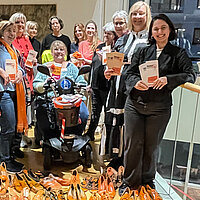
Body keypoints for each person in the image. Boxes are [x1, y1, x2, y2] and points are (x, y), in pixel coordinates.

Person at [119, 14, 196, 195]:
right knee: (132, 145)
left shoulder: (178, 54)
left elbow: (190, 74)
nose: (159, 32)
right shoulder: (142, 51)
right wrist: (135, 82)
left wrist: (168, 80)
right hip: (134, 105)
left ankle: (147, 181)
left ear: (170, 30)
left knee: (151, 146)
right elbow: (128, 74)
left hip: (159, 108)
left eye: (163, 28)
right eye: (156, 29)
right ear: (151, 32)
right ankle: (129, 182)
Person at [104, 1, 152, 162]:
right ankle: (118, 161)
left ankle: (130, 166)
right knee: (117, 125)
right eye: (134, 13)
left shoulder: (151, 40)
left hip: (138, 94)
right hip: (118, 89)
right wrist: (108, 71)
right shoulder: (123, 40)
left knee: (133, 132)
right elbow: (114, 64)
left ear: (147, 16)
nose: (137, 17)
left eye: (141, 13)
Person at [33, 40, 88, 145]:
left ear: (66, 52)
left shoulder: (72, 67)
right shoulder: (47, 67)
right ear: (52, 53)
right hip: (51, 99)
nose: (59, 52)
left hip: (71, 100)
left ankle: (76, 135)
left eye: (62, 49)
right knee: (42, 111)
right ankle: (48, 138)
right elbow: (36, 84)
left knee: (84, 114)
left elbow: (81, 81)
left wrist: (79, 88)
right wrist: (44, 84)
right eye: (56, 49)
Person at [0, 20, 27, 173]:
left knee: (13, 128)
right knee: (8, 127)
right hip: (3, 92)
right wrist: (1, 72)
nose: (11, 34)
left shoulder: (13, 50)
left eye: (13, 31)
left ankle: (8, 157)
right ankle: (4, 160)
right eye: (8, 30)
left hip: (14, 91)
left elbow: (22, 67)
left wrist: (19, 73)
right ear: (2, 32)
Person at [85, 22, 117, 141]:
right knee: (94, 112)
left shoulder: (115, 49)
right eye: (105, 33)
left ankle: (108, 139)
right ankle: (90, 134)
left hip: (107, 86)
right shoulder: (99, 47)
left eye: (109, 34)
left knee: (108, 114)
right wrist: (90, 83)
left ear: (114, 35)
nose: (106, 36)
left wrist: (106, 59)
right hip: (96, 85)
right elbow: (93, 67)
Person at [10, 12, 34, 154]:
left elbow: (29, 58)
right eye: (17, 22)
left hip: (27, 81)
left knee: (24, 112)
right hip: (15, 82)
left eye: (22, 22)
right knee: (15, 114)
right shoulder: (10, 41)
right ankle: (12, 146)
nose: (20, 25)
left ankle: (18, 143)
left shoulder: (26, 39)